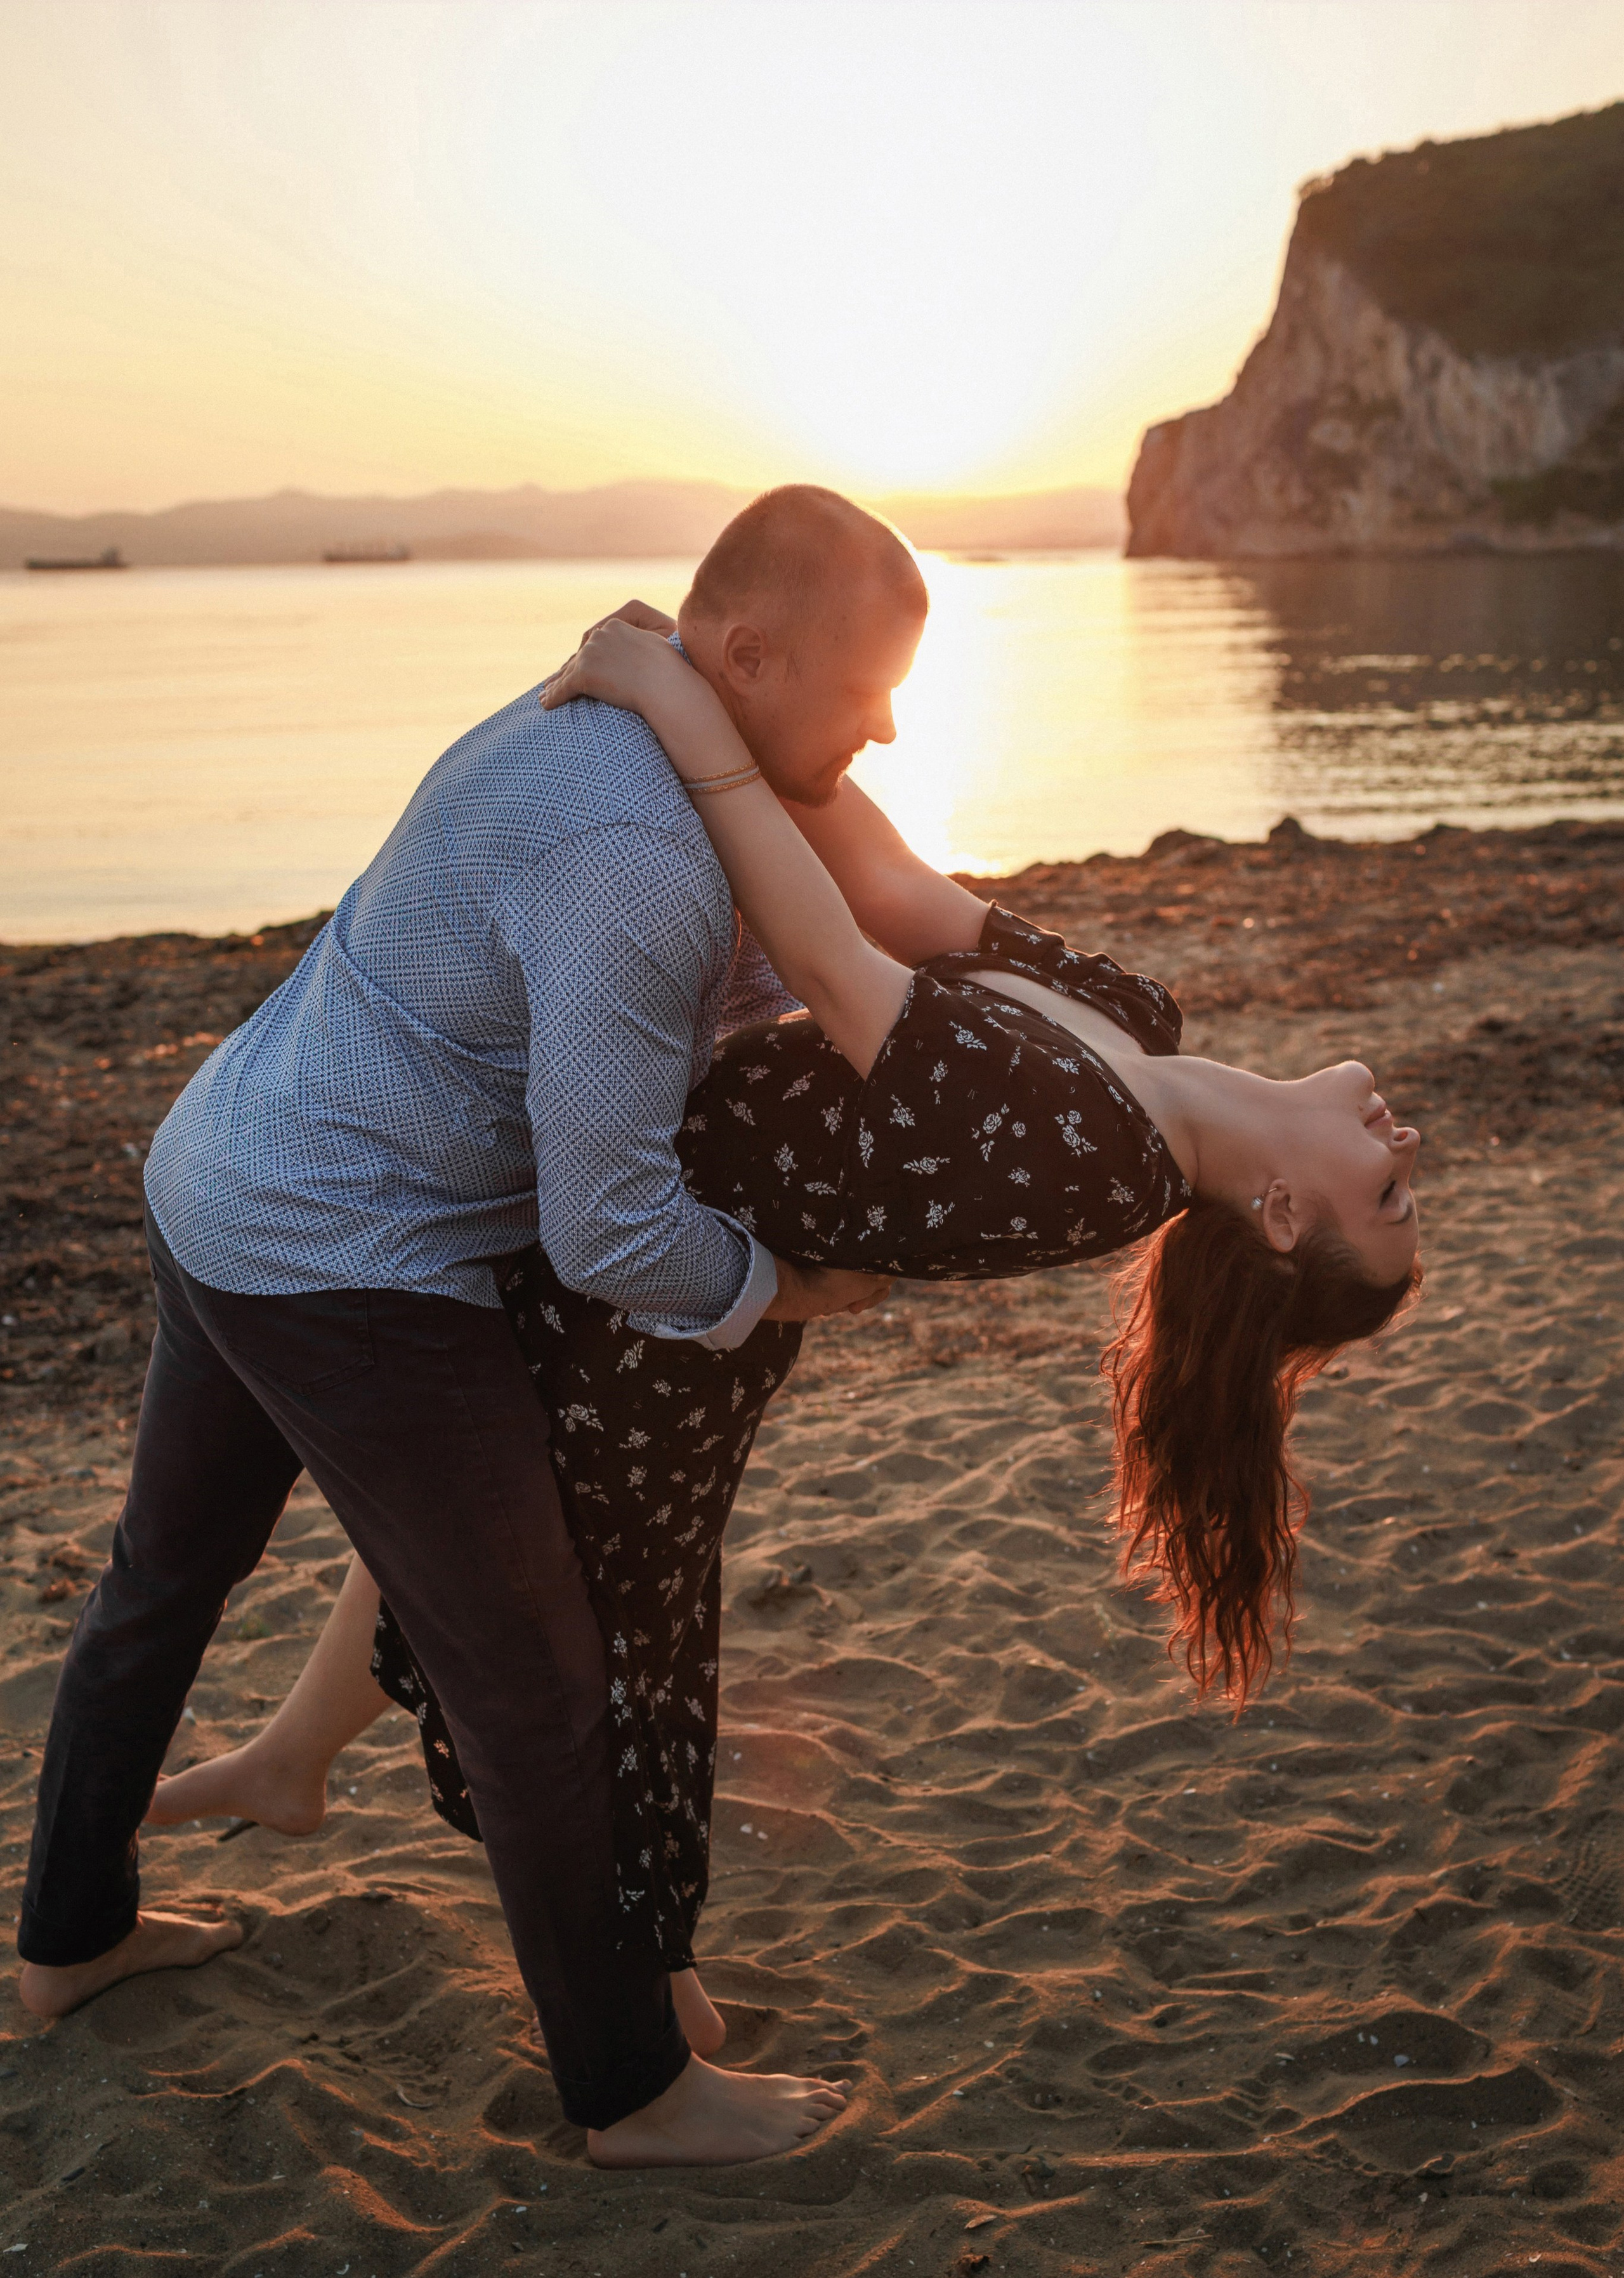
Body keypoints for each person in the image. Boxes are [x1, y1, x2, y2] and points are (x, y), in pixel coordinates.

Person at [150, 609, 1422, 2006]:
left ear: (1287, 1218)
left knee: (618, 1638)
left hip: (660, 1301)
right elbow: (889, 884)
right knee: (483, 1537)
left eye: (1386, 1199)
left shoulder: (1091, 1159)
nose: (1402, 1156)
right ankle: (292, 1762)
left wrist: (688, 711)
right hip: (620, 1201)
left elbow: (829, 963)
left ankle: (649, 2015)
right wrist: (772, 701)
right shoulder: (1140, 1025)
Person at [18, 486, 1012, 2172]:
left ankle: (67, 1940)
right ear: (747, 656)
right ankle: (629, 2091)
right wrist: (790, 1289)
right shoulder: (631, 845)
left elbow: (743, 990)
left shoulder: (635, 717)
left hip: (224, 1163)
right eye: (866, 690)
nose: (891, 725)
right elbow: (607, 1224)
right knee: (538, 1675)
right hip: (346, 1257)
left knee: (164, 1573)